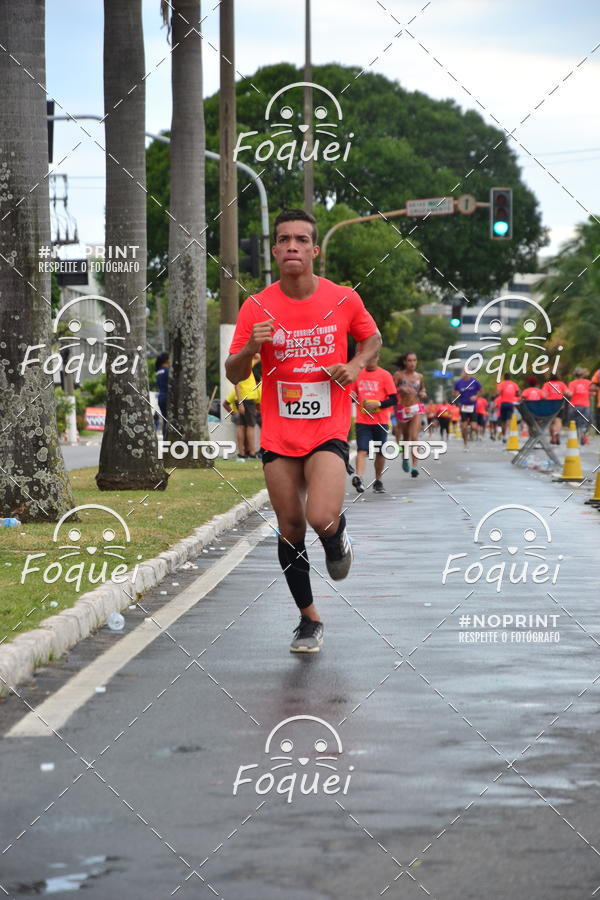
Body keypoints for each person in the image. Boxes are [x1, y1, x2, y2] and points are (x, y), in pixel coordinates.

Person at [225, 209, 380, 653]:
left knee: (319, 517)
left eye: (301, 240)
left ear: (315, 250)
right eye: (284, 240)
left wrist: (353, 364)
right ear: (275, 250)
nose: (292, 246)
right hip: (279, 433)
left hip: (327, 428)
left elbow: (372, 339)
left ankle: (336, 535)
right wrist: (252, 346)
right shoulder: (256, 306)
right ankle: (309, 620)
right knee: (290, 528)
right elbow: (235, 372)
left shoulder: (343, 298)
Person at [349, 351, 396, 494]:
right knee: (362, 449)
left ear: (377, 358)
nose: (370, 361)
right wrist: (352, 397)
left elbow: (394, 399)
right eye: (368, 358)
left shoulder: (385, 375)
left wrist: (379, 404)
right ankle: (359, 477)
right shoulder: (358, 374)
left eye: (373, 358)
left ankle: (378, 480)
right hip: (362, 421)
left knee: (380, 452)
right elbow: (351, 396)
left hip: (380, 421)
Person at [394, 352, 426, 477]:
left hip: (415, 408)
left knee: (414, 437)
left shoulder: (420, 376)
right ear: (405, 362)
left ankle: (414, 466)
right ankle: (405, 458)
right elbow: (390, 389)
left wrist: (423, 393)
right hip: (402, 409)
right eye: (409, 360)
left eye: (414, 360)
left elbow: (422, 389)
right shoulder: (398, 375)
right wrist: (400, 389)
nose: (412, 363)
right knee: (406, 438)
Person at [223, 353, 261, 459]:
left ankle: (242, 452)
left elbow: (258, 357)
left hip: (244, 399)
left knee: (242, 426)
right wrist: (240, 404)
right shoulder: (242, 367)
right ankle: (252, 452)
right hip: (246, 399)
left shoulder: (243, 365)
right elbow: (237, 386)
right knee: (250, 426)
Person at [454, 369, 482, 449]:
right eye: (465, 372)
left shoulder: (475, 382)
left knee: (473, 426)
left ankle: (473, 433)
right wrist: (457, 395)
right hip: (463, 406)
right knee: (464, 427)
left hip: (472, 406)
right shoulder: (458, 382)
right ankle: (465, 443)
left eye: (468, 372)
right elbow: (455, 392)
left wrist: (476, 397)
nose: (466, 374)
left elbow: (481, 391)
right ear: (462, 373)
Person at [567, 367, 594, 444]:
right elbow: (592, 393)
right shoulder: (588, 383)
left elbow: (570, 393)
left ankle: (574, 438)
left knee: (573, 423)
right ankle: (585, 435)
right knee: (586, 422)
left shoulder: (572, 383)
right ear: (583, 374)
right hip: (585, 405)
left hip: (573, 406)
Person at [542, 376, 570, 444]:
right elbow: (568, 393)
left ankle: (552, 437)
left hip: (549, 405)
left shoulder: (547, 384)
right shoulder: (561, 384)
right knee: (558, 420)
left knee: (551, 422)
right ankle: (556, 433)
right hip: (559, 404)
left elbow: (544, 394)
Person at [495, 373, 520, 441]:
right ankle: (510, 433)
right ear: (510, 377)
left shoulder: (501, 384)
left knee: (503, 422)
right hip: (511, 404)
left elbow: (497, 393)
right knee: (509, 419)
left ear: (504, 377)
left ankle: (504, 436)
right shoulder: (514, 384)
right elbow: (518, 393)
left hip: (503, 404)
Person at [155, 352, 169, 438]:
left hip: (161, 397)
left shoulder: (158, 371)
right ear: (166, 360)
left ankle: (165, 439)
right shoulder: (167, 370)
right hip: (167, 397)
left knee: (165, 420)